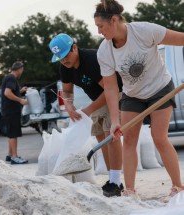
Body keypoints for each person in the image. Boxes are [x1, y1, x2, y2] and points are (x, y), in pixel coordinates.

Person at [94, 0, 184, 198]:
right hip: (132, 95)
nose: (99, 31)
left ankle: (178, 187)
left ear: (114, 20)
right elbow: (110, 87)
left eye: (101, 26)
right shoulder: (104, 50)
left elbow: (182, 39)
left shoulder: (144, 31)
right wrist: (115, 120)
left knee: (159, 138)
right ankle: (130, 190)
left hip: (160, 89)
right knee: (128, 141)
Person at [49, 33, 123, 197]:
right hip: (96, 99)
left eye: (66, 56)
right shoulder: (65, 68)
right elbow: (67, 91)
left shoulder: (91, 60)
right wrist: (68, 105)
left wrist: (88, 110)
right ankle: (113, 179)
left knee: (110, 136)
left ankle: (116, 180)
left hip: (115, 95)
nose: (64, 61)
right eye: (60, 58)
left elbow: (110, 89)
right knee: (100, 139)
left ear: (74, 48)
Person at [0, 61, 28, 164]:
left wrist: (20, 91)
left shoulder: (8, 77)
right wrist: (21, 100)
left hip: (8, 110)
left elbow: (10, 91)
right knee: (14, 134)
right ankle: (15, 157)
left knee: (11, 133)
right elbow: (7, 93)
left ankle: (10, 155)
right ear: (20, 69)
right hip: (11, 111)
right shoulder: (11, 78)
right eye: (22, 69)